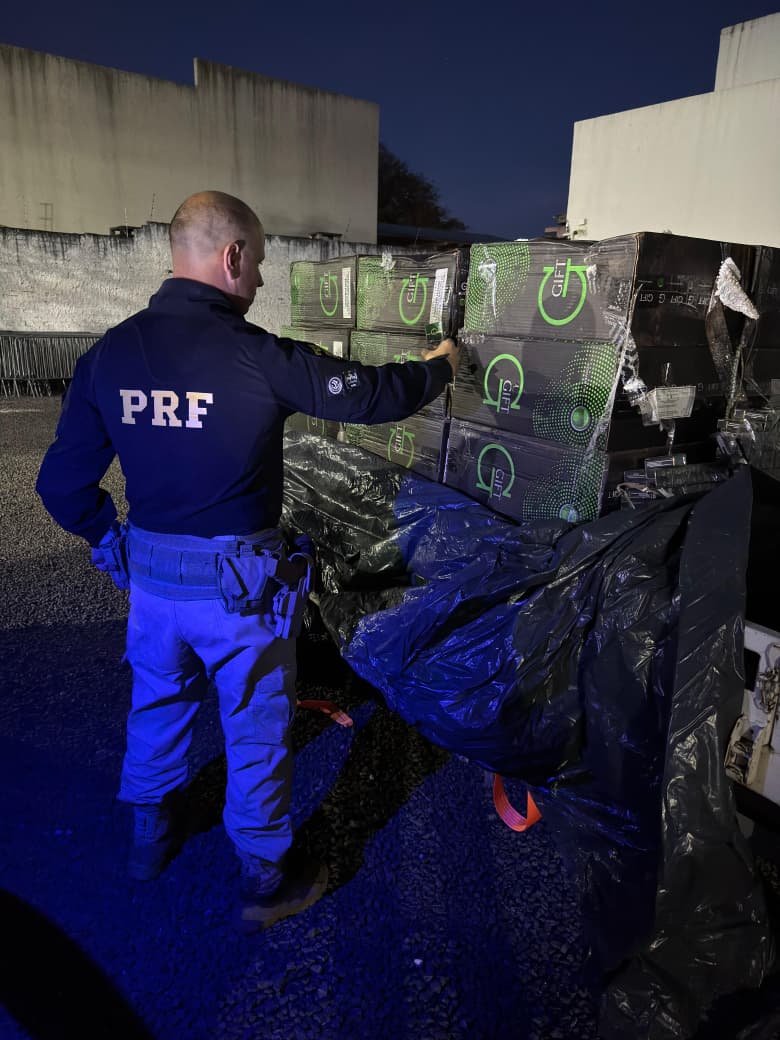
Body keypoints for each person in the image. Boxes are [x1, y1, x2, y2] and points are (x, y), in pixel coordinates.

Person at [35, 190, 459, 933]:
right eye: (257, 263)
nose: (259, 280)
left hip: (155, 586)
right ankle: (267, 878)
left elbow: (60, 487)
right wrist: (439, 368)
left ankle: (148, 839)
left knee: (157, 704)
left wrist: (114, 543)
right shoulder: (256, 355)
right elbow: (368, 396)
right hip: (240, 594)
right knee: (256, 726)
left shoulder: (108, 356)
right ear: (232, 257)